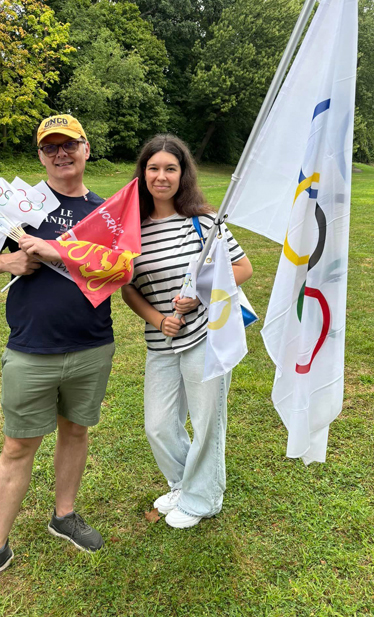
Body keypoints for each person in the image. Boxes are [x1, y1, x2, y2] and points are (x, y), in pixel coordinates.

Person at [0, 114, 116, 605]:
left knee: (76, 431)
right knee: (18, 447)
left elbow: (117, 271)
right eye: (51, 148)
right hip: (31, 348)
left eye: (71, 145)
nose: (62, 154)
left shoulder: (105, 212)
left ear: (87, 149)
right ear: (41, 157)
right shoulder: (20, 207)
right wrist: (7, 261)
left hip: (92, 344)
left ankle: (64, 516)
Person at [121, 134, 253, 529]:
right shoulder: (131, 231)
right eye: (154, 168)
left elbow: (242, 268)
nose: (161, 177)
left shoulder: (206, 223)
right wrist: (159, 319)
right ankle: (184, 482)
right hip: (161, 340)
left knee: (207, 419)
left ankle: (204, 498)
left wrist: (199, 296)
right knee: (158, 424)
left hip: (205, 338)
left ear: (183, 174)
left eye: (170, 169)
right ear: (143, 173)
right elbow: (127, 287)